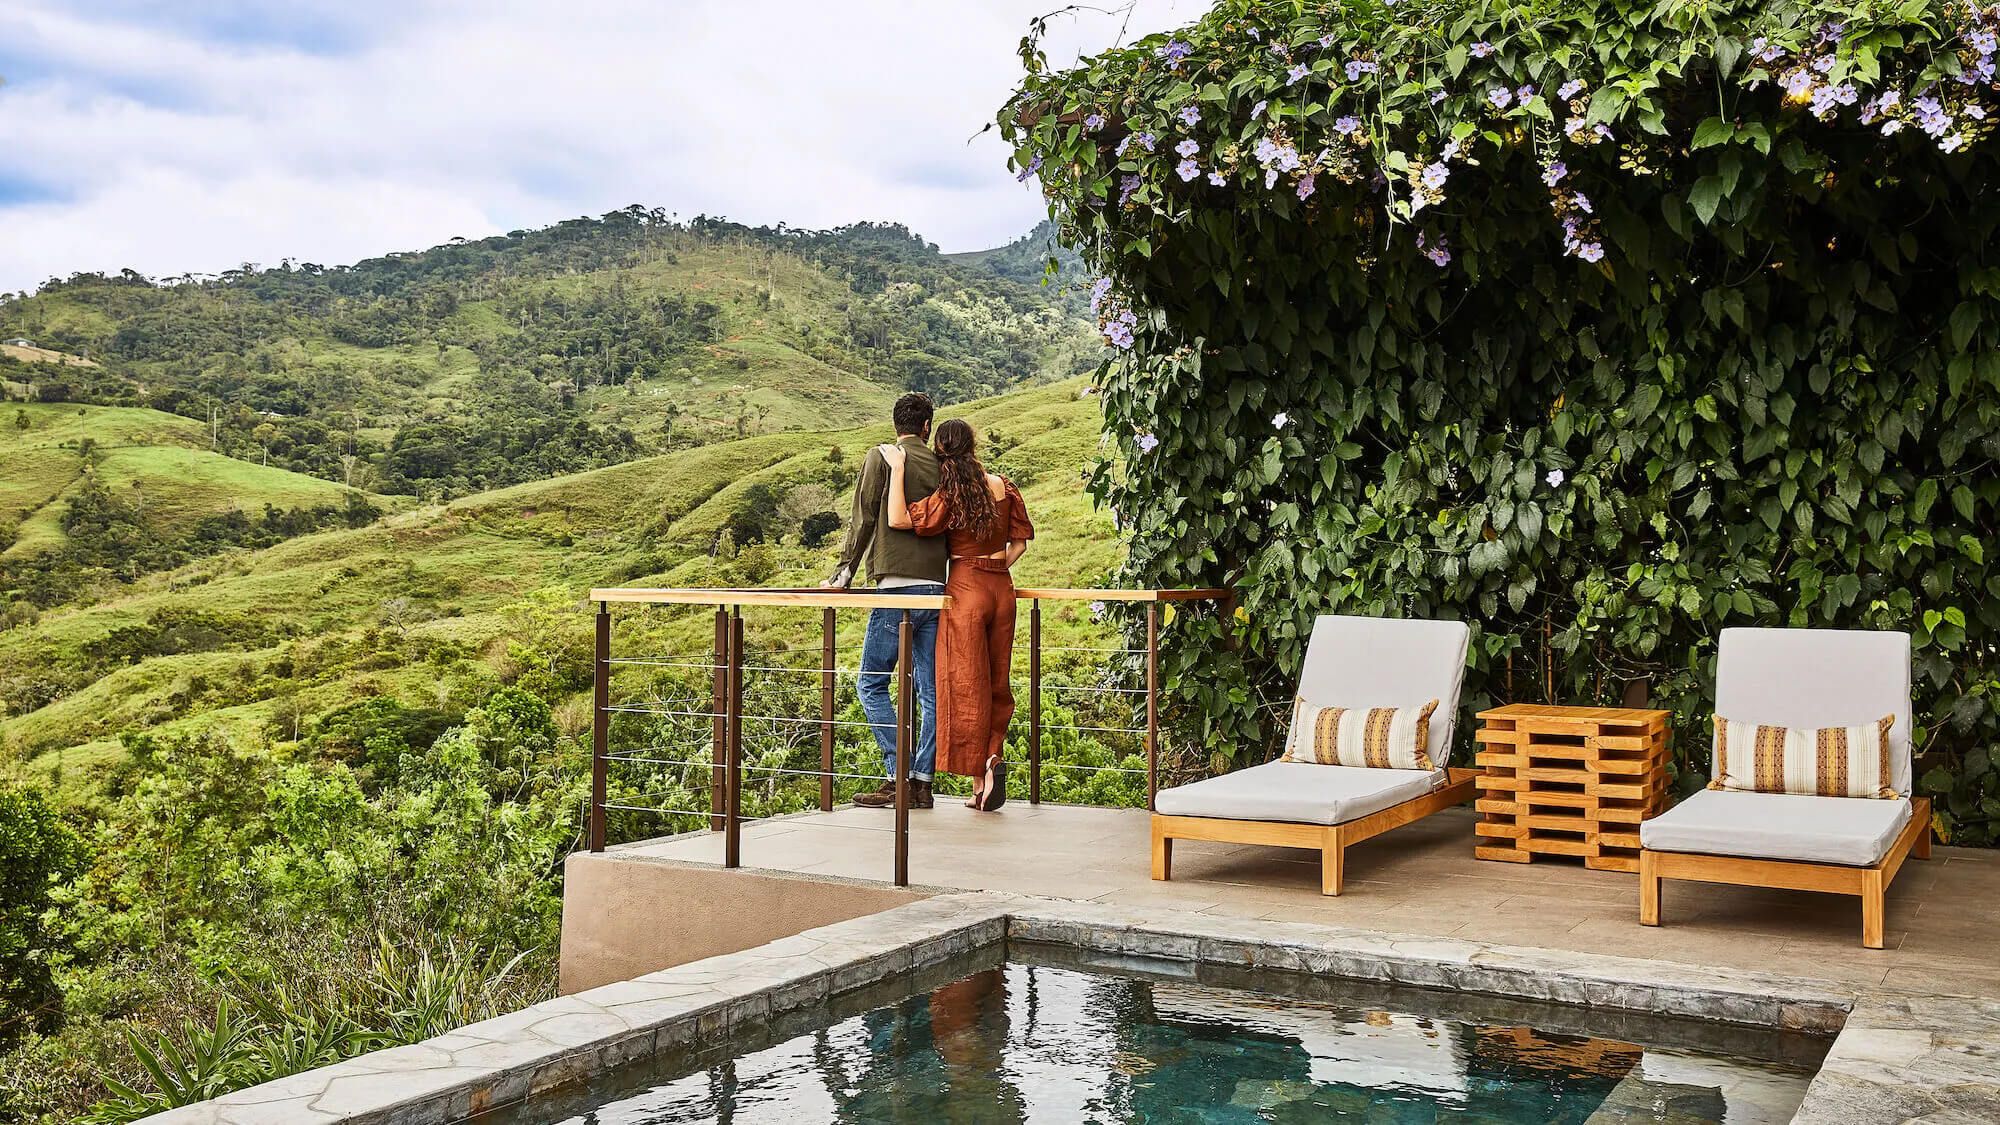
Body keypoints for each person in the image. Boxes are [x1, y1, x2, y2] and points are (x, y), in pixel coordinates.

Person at [879, 419, 1033, 811]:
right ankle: (993, 753)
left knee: (967, 684)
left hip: (965, 586)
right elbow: (1020, 543)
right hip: (1002, 586)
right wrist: (998, 569)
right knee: (999, 679)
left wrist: (897, 469)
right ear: (974, 444)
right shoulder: (1002, 484)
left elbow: (900, 519)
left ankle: (980, 771)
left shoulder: (952, 494)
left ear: (942, 451)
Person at [827, 392, 945, 810]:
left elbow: (864, 519)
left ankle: (898, 774)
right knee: (929, 690)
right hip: (937, 589)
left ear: (896, 424)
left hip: (895, 587)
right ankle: (923, 782)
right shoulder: (943, 464)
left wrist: (843, 572)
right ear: (927, 426)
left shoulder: (882, 456)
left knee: (871, 683)